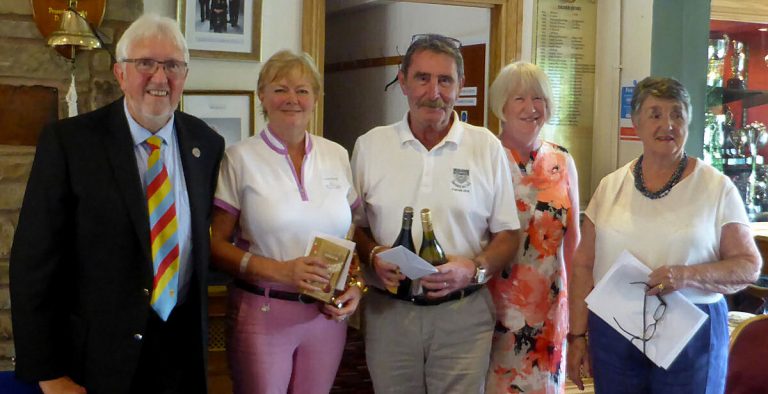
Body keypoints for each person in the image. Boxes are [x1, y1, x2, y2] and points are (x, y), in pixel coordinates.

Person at [9, 14, 224, 394]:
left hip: (180, 352)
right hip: (97, 359)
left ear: (185, 75)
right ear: (120, 74)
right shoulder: (71, 143)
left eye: (172, 65)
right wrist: (48, 373)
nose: (160, 78)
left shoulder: (205, 143)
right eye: (145, 64)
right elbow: (33, 264)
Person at [566, 76, 762, 393]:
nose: (667, 124)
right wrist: (576, 336)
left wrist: (684, 276)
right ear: (637, 122)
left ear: (688, 121)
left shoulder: (715, 188)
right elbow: (583, 265)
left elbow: (747, 266)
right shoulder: (610, 186)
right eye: (655, 114)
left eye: (677, 114)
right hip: (615, 332)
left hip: (690, 333)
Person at [351, 33, 521, 393]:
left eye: (445, 80)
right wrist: (374, 254)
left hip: (463, 315)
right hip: (389, 314)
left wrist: (474, 269)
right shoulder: (370, 146)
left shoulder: (486, 146)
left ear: (460, 85)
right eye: (422, 78)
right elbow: (354, 227)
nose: (434, 91)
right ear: (403, 82)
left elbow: (508, 234)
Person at [210, 50, 364, 394]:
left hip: (326, 318)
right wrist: (283, 271)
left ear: (316, 99)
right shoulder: (239, 158)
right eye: (280, 89)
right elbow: (215, 247)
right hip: (263, 313)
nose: (292, 99)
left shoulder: (336, 154)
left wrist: (355, 285)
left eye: (303, 90)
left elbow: (353, 232)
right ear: (261, 96)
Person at [485, 61, 580, 393]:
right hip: (493, 307)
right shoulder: (486, 157)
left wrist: (578, 316)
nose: (530, 108)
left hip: (551, 308)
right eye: (519, 99)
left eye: (537, 98)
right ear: (502, 106)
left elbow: (574, 244)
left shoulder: (563, 162)